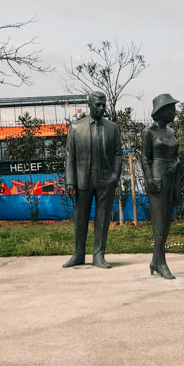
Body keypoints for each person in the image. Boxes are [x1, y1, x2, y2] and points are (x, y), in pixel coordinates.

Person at [63, 91, 123, 269]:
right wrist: (70, 181)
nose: (102, 108)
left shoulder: (112, 128)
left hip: (106, 180)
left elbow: (118, 154)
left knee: (103, 219)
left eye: (103, 104)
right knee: (80, 218)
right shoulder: (76, 128)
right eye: (98, 104)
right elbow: (69, 156)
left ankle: (99, 255)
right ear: (89, 105)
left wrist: (115, 176)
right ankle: (78, 253)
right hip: (83, 180)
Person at [140, 93, 182, 279]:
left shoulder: (172, 132)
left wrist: (178, 162)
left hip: (172, 178)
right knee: (159, 224)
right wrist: (149, 180)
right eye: (171, 108)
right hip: (157, 178)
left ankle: (155, 261)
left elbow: (175, 153)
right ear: (161, 111)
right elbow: (144, 158)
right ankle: (161, 262)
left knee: (166, 222)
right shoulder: (148, 132)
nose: (174, 112)